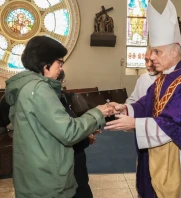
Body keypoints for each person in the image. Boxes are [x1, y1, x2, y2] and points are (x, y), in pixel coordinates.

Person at [104, 1, 181, 198]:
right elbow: (147, 103)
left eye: (158, 51)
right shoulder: (165, 76)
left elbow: (174, 122)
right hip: (162, 150)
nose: (153, 57)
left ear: (175, 50)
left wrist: (136, 124)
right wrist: (125, 109)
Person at [5, 36, 114, 198]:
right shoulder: (40, 89)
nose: (61, 68)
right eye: (59, 63)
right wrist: (98, 112)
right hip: (46, 180)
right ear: (45, 64)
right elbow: (68, 132)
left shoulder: (24, 87)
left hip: (33, 174)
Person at [56, 70, 96, 198]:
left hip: (74, 152)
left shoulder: (61, 96)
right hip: (65, 157)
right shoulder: (50, 99)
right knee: (79, 189)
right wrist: (85, 135)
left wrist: (86, 131)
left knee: (81, 185)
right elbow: (65, 131)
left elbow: (71, 120)